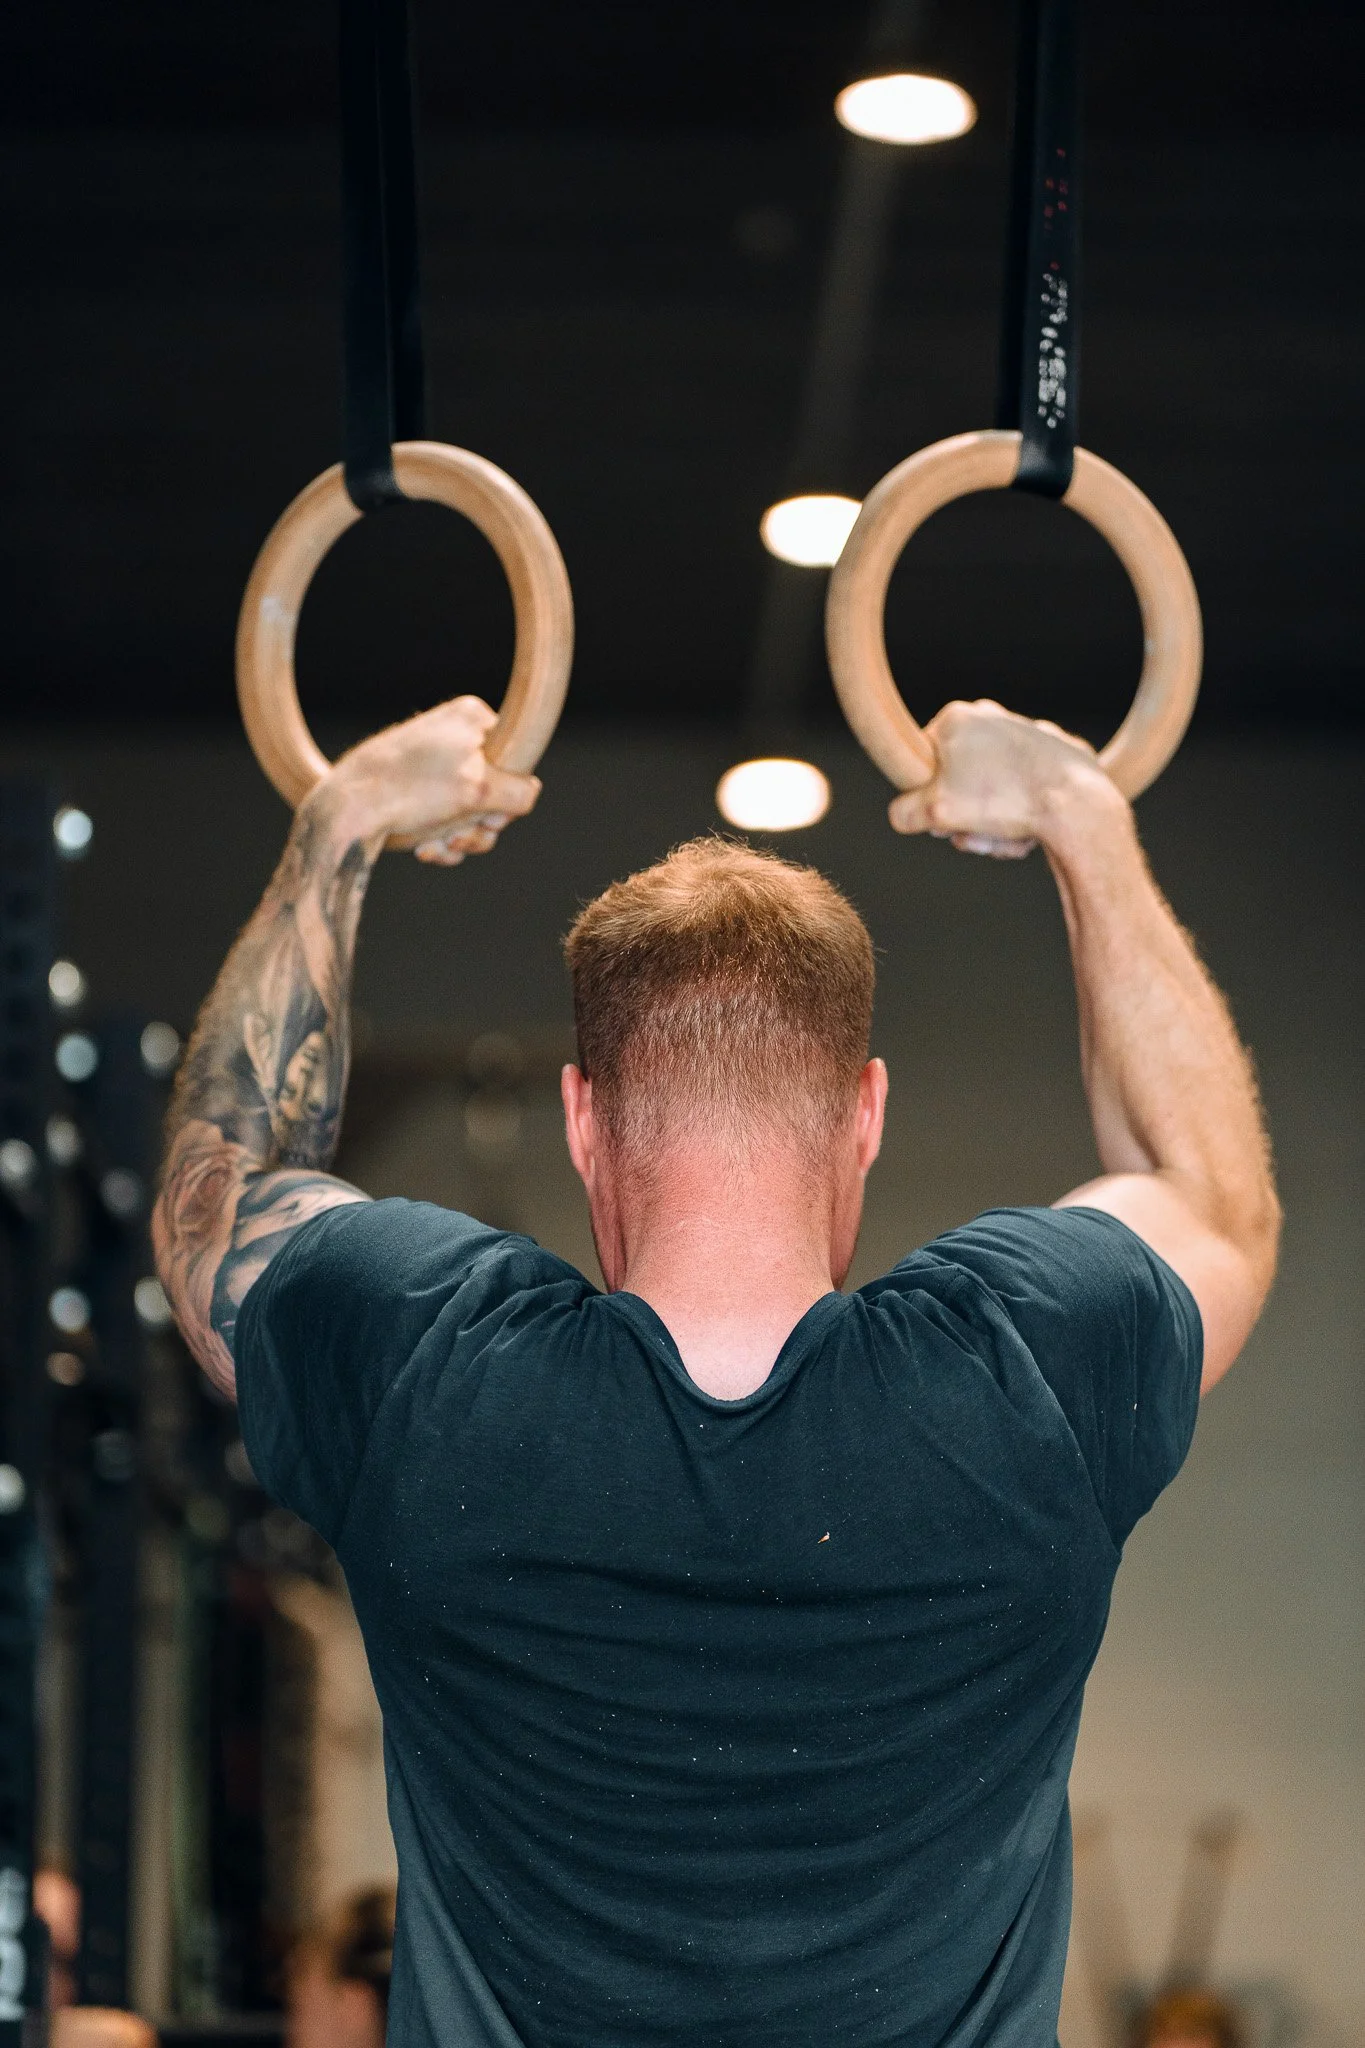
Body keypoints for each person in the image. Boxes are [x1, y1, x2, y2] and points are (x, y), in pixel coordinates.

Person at [153, 695, 1279, 2048]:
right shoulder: (1025, 1368)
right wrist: (1083, 827)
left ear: (582, 1118)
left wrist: (336, 827)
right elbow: (1212, 1198)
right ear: (865, 1111)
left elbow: (214, 1200)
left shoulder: (423, 1362)